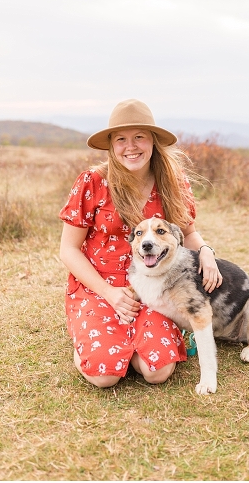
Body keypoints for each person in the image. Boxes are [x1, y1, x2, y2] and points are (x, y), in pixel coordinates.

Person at [59, 98, 222, 388]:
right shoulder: (93, 182)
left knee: (156, 371)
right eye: (121, 139)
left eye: (139, 137)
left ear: (153, 141)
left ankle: (131, 345)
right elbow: (68, 250)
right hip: (99, 287)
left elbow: (189, 234)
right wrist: (109, 292)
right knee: (104, 376)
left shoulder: (172, 181)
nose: (130, 146)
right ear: (111, 145)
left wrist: (206, 252)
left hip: (156, 288)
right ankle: (92, 337)